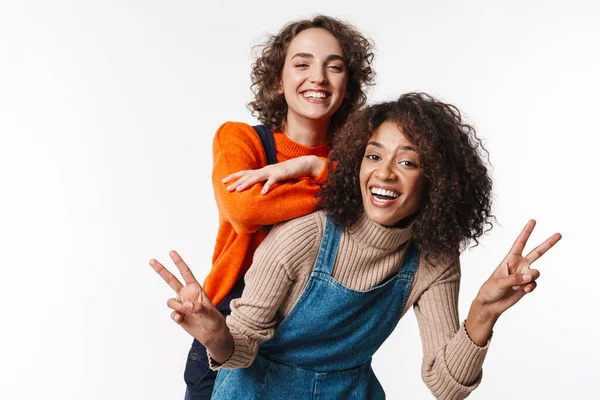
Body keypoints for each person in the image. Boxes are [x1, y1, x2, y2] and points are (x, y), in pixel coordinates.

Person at [150, 93, 562, 399]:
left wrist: (483, 312)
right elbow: (239, 351)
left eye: (408, 162)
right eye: (373, 156)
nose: (384, 174)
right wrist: (215, 335)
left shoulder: (433, 259)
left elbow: (444, 385)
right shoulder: (302, 237)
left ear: (437, 179)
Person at [173, 15, 375, 399]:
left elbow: (385, 220)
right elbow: (246, 210)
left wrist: (318, 167)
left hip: (318, 340)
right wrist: (335, 185)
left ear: (347, 86)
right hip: (229, 324)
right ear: (278, 82)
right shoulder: (241, 139)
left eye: (334, 66)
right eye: (302, 64)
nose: (317, 77)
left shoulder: (363, 160)